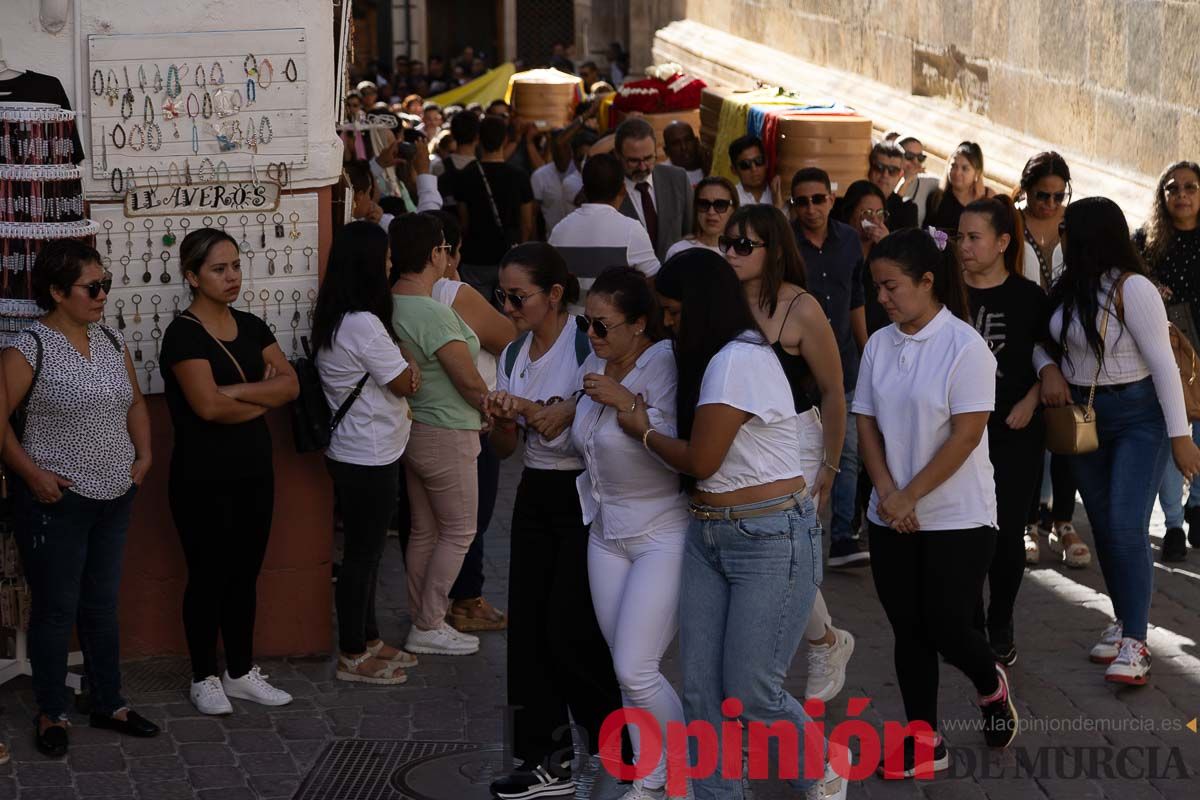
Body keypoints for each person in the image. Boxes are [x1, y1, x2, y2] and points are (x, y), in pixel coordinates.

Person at [615, 249, 847, 800]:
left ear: (700, 305)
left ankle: (821, 769)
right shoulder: (715, 354)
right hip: (711, 532)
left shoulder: (737, 359)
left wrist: (641, 432)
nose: (669, 325)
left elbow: (701, 461)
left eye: (674, 312)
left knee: (750, 690)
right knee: (700, 691)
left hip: (769, 538)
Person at [855, 228, 1018, 777]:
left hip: (958, 516)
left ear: (927, 282)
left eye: (891, 286)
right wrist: (886, 494)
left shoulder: (964, 346)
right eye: (877, 287)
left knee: (948, 625)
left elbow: (967, 435)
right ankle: (925, 741)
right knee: (908, 630)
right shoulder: (879, 344)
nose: (882, 298)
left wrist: (910, 495)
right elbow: (866, 422)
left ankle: (989, 681)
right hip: (892, 513)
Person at [1, 241, 159, 756]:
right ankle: (52, 710)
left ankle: (108, 701)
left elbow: (134, 401)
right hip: (57, 500)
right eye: (92, 287)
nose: (102, 294)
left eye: (105, 283)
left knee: (101, 605)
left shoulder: (111, 339)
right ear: (55, 292)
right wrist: (31, 474)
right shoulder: (29, 348)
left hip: (116, 493)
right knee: (54, 608)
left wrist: (144, 455)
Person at [484, 243, 622, 800]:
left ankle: (614, 749)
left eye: (519, 297)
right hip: (536, 493)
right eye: (504, 296)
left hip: (584, 494)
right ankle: (542, 755)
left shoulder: (586, 344)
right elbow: (503, 450)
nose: (510, 306)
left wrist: (535, 411)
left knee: (572, 628)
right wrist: (499, 418)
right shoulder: (515, 354)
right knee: (530, 630)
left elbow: (565, 425)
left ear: (555, 295)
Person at [1045, 197, 1200, 684]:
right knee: (1108, 530)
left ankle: (1137, 640)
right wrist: (1046, 369)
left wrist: (1181, 438)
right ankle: (1124, 620)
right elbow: (1040, 342)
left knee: (1125, 525)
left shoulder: (1135, 290)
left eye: (1068, 227)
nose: (1060, 234)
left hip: (1138, 417)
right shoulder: (1066, 285)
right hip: (1085, 418)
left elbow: (1165, 368)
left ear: (1093, 234)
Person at [161, 229, 300, 714]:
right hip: (203, 476)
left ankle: (239, 671)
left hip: (254, 471)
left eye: (236, 266)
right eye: (219, 269)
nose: (232, 276)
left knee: (244, 574)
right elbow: (206, 407)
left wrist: (236, 395)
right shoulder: (183, 334)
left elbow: (290, 385)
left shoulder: (253, 325)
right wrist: (256, 399)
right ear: (192, 277)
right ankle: (203, 675)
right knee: (208, 576)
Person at [721, 205, 855, 704]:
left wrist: (831, 465)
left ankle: (819, 647)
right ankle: (825, 639)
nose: (730, 253)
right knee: (769, 554)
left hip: (795, 439)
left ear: (772, 249)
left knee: (786, 552)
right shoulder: (723, 300)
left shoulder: (801, 308)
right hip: (735, 439)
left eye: (742, 245)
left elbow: (834, 391)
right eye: (726, 244)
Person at [571, 267, 687, 800]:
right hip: (606, 533)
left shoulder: (662, 364)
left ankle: (687, 773)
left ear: (639, 325)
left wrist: (625, 402)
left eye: (602, 325)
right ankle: (652, 773)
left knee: (635, 667)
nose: (591, 335)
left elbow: (677, 440)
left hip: (661, 531)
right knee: (628, 674)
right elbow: (581, 441)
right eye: (585, 323)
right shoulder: (594, 365)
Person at [313, 222, 421, 685]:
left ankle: (371, 637)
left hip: (359, 449)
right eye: (386, 257)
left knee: (370, 554)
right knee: (362, 556)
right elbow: (404, 381)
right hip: (368, 454)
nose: (392, 264)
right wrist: (410, 367)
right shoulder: (362, 323)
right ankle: (353, 654)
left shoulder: (339, 317)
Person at [960, 197, 1063, 667]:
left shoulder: (1028, 297)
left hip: (1014, 429)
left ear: (1002, 242)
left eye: (973, 237)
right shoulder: (944, 293)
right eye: (959, 236)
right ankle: (972, 624)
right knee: (964, 534)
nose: (963, 246)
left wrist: (1030, 401)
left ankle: (1000, 620)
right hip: (956, 433)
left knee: (1003, 534)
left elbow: (1050, 361)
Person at [388, 213, 490, 657]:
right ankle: (429, 623)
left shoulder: (390, 303)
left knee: (426, 532)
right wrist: (494, 407)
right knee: (459, 530)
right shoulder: (432, 312)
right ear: (436, 254)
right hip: (448, 428)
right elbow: (468, 380)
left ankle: (422, 618)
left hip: (415, 428)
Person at [427, 210, 516, 631]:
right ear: (445, 252)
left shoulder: (405, 291)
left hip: (427, 415)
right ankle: (466, 599)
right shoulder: (451, 291)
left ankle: (438, 602)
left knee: (432, 520)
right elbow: (509, 338)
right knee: (471, 513)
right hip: (469, 413)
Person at [1012, 151, 1089, 569]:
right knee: (1029, 437)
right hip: (1022, 336)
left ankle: (1062, 519)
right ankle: (1026, 522)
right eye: (1043, 194)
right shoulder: (1009, 221)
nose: (1051, 203)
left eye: (1060, 195)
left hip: (1066, 337)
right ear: (1026, 190)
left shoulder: (1070, 227)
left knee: (1067, 435)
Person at [789, 167, 869, 567]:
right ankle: (805, 534)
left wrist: (867, 350)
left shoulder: (850, 240)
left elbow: (856, 298)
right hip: (797, 370)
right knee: (802, 451)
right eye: (801, 201)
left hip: (846, 364)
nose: (810, 208)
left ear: (831, 199)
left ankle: (843, 537)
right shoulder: (786, 244)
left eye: (817, 199)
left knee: (847, 452)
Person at [1136, 161, 1200, 562]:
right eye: (1172, 188)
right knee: (1174, 432)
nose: (1182, 194)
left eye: (1191, 187)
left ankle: (1197, 508)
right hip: (1168, 351)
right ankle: (1174, 522)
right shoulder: (1145, 242)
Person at [550, 152, 660, 303]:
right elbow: (654, 281)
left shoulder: (559, 231)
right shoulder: (631, 231)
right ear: (623, 189)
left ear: (584, 189)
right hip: (614, 325)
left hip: (571, 324)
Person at [449, 114, 535, 301]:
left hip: (475, 256)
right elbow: (527, 224)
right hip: (508, 256)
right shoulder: (519, 177)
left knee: (478, 318)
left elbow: (464, 223)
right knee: (508, 315)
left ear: (479, 139)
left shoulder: (465, 176)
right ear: (505, 139)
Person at [615, 117, 692, 260]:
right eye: (634, 161)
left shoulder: (678, 179)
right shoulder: (609, 190)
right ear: (618, 155)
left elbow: (691, 234)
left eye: (648, 158)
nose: (643, 167)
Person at [664, 176, 738, 260]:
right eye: (703, 204)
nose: (711, 212)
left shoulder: (742, 252)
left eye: (720, 205)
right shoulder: (678, 251)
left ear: (733, 209)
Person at [926, 142, 992, 233]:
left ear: (977, 172)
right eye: (953, 166)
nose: (957, 173)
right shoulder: (937, 198)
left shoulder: (989, 198)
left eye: (965, 168)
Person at [867, 140, 919, 230]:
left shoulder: (907, 211)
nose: (885, 175)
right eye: (879, 168)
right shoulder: (852, 199)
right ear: (870, 168)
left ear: (900, 175)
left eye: (892, 170)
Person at [728, 134, 781, 208]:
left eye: (758, 161)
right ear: (734, 170)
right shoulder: (729, 199)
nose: (754, 169)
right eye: (745, 165)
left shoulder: (779, 193)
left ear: (766, 162)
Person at [896, 136, 938, 227]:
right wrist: (906, 181)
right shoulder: (885, 178)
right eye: (909, 156)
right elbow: (894, 207)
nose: (916, 162)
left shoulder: (926, 182)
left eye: (920, 157)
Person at [662, 120, 706, 186]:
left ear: (697, 142)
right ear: (666, 151)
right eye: (676, 143)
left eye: (688, 140)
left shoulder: (709, 165)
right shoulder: (661, 177)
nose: (684, 147)